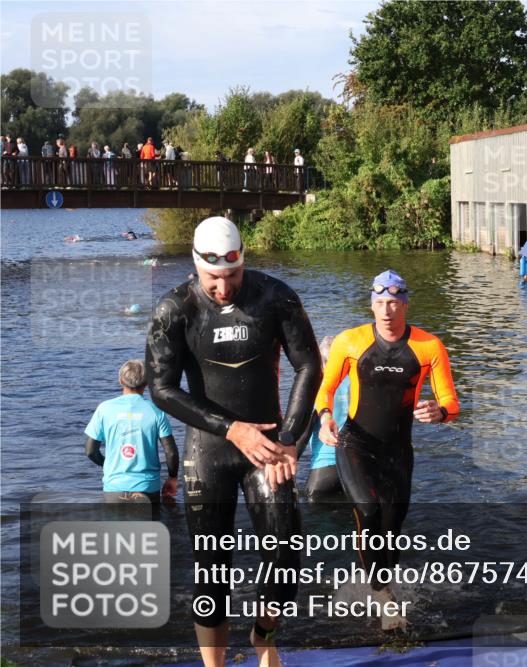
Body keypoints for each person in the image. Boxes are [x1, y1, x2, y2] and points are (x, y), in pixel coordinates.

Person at [146, 216, 321, 667]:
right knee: (212, 576)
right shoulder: (174, 309)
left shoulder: (275, 297)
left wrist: (290, 439)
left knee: (286, 559)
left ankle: (264, 636)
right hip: (210, 453)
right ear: (195, 266)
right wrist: (231, 428)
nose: (224, 288)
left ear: (243, 262)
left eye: (233, 275)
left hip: (268, 450)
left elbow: (309, 366)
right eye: (213, 279)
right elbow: (161, 389)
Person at [315, 269, 459, 630]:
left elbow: (451, 402)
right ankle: (383, 598)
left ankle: (382, 583)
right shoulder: (351, 342)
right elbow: (325, 389)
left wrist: (439, 412)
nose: (386, 310)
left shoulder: (428, 347)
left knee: (391, 532)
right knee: (368, 509)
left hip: (397, 451)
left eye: (394, 302)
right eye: (380, 302)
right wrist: (325, 418)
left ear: (405, 305)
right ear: (372, 305)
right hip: (355, 443)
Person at [84, 360, 178, 505]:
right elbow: (170, 452)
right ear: (146, 383)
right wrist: (172, 478)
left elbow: (90, 451)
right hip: (147, 487)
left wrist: (107, 465)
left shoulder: (104, 409)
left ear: (121, 380)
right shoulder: (156, 411)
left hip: (114, 487)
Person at [298, 336, 349, 502]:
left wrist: (287, 461)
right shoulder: (357, 385)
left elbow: (303, 434)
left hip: (325, 472)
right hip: (356, 470)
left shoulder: (317, 389)